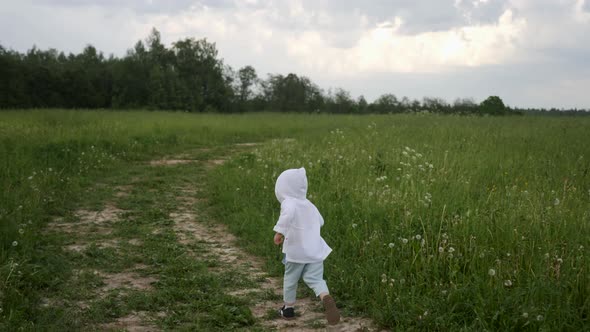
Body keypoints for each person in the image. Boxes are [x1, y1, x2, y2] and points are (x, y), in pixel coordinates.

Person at [272, 167, 340, 325]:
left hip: (297, 251)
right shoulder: (309, 204)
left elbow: (287, 216)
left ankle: (288, 308)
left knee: (291, 279)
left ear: (283, 187)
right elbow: (321, 221)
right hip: (315, 249)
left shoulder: (289, 202)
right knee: (316, 279)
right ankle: (325, 296)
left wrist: (279, 232)